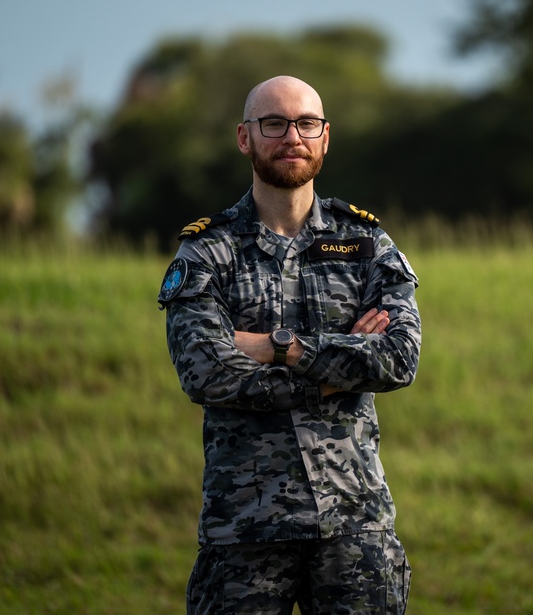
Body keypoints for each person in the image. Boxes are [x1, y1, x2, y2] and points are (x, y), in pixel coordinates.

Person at [157, 75, 421, 614]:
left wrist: (282, 348)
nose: (291, 136)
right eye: (274, 124)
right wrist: (340, 370)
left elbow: (398, 358)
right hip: (243, 531)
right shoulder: (207, 253)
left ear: (325, 136)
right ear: (244, 137)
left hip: (355, 525)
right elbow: (205, 372)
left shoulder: (367, 244)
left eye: (306, 123)